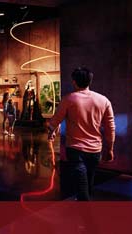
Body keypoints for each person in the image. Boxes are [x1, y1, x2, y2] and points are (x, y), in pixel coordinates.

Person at [48, 67, 115, 201]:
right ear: (90, 81)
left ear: (74, 82)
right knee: (88, 181)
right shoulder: (103, 100)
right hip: (95, 150)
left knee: (82, 185)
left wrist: (51, 131)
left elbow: (55, 121)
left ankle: (86, 216)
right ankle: (85, 210)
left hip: (75, 149)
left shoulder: (69, 99)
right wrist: (110, 148)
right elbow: (110, 127)